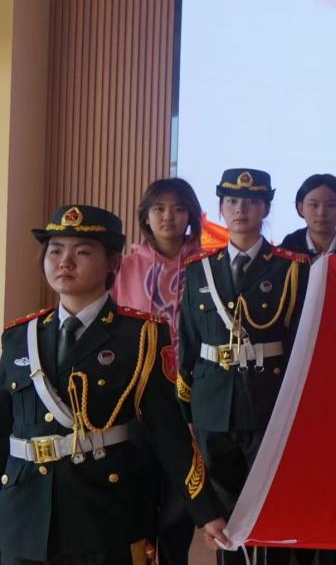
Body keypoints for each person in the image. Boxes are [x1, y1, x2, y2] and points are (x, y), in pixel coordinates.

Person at [1, 204, 227, 564]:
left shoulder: (140, 336)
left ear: (113, 263)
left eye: (82, 252)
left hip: (103, 514)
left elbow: (168, 433)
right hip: (22, 513)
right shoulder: (18, 337)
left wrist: (206, 511)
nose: (64, 262)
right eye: (55, 251)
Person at [177, 168, 309, 565]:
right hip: (212, 402)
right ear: (220, 207)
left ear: (265, 208)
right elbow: (188, 341)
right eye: (232, 201)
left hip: (268, 401)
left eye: (251, 202)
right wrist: (186, 407)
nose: (241, 209)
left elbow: (299, 341)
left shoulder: (290, 268)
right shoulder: (199, 268)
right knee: (224, 511)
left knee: (269, 502)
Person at [110, 178, 205, 565]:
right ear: (145, 216)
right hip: (137, 396)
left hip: (193, 399)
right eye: (159, 208)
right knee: (137, 500)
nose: (169, 216)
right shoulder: (125, 267)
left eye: (179, 208)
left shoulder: (207, 266)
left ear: (191, 216)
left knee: (180, 507)